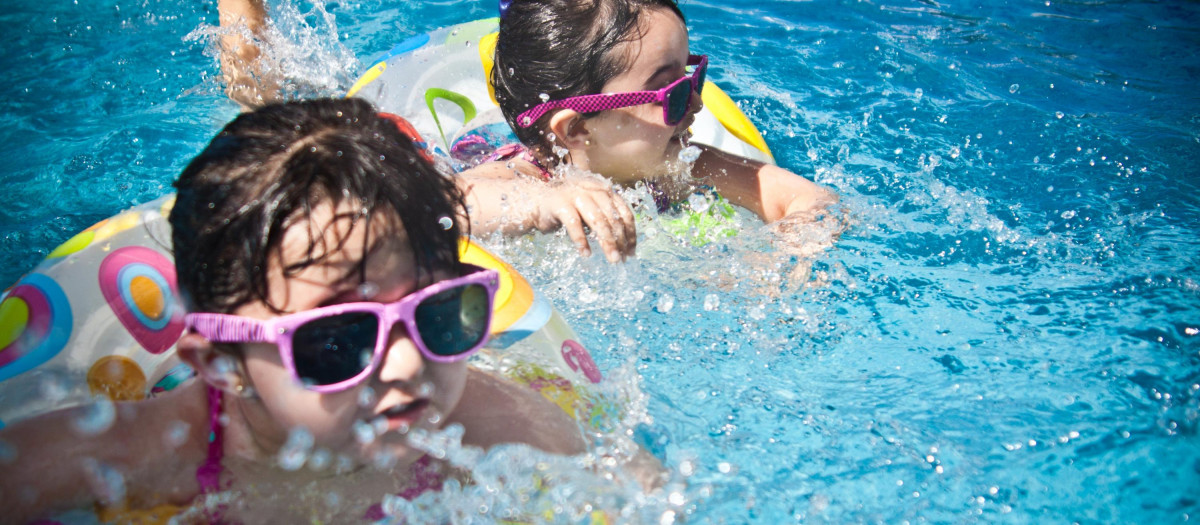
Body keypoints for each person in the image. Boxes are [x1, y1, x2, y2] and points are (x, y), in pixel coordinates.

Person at [0, 98, 584, 523]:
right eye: (339, 340)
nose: (407, 365)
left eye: (437, 313)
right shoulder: (141, 456)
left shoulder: (493, 427)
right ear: (223, 362)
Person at [214, 0, 837, 264]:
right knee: (268, 110)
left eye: (694, 78)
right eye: (673, 92)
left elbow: (801, 198)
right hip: (451, 156)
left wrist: (793, 251)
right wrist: (540, 201)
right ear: (574, 129)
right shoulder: (520, 174)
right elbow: (431, 212)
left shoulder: (686, 161)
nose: (695, 106)